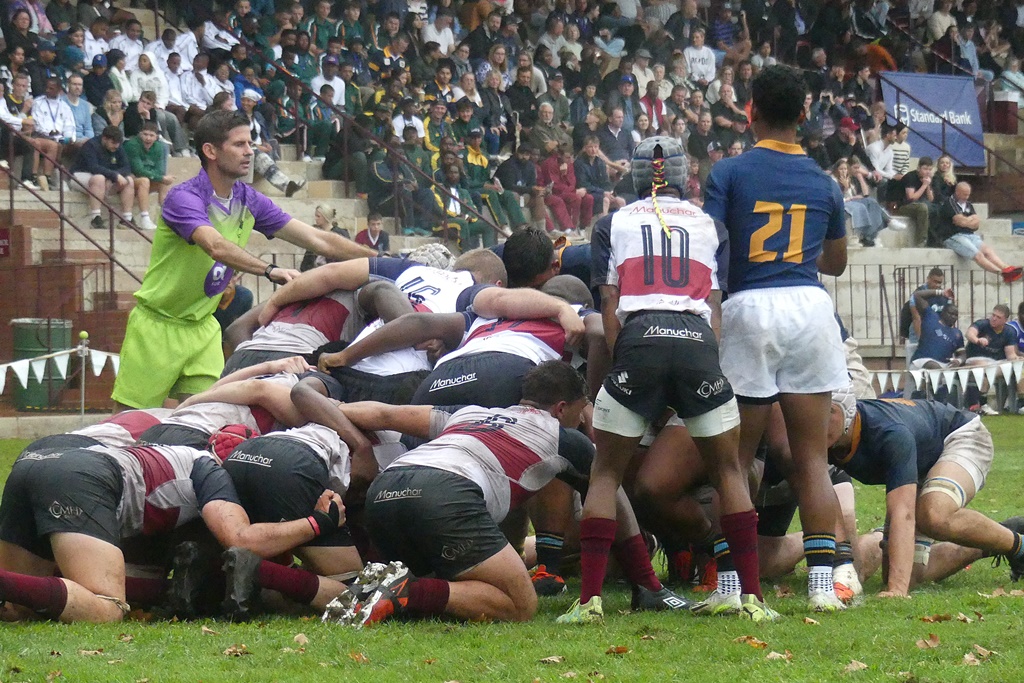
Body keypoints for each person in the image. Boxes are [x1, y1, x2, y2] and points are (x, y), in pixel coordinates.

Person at [559, 135, 777, 624]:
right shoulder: (711, 225)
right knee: (728, 472)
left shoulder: (611, 223)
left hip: (640, 340)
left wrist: (632, 365)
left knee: (606, 473)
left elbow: (608, 307)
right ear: (685, 178)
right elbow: (715, 311)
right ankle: (752, 598)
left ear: (634, 179)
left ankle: (589, 601)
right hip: (698, 342)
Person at [323, 362, 647, 626]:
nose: (582, 421)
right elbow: (609, 493)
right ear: (562, 408)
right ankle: (408, 590)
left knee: (460, 587)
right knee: (519, 604)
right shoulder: (563, 438)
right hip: (444, 493)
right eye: (581, 412)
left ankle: (393, 587)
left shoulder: (467, 413)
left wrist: (329, 405)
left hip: (385, 490)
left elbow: (382, 414)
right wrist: (646, 580)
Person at [110, 110, 376, 411]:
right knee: (127, 425)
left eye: (250, 143)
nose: (250, 151)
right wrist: (269, 270)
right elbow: (216, 247)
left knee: (202, 419)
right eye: (239, 144)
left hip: (203, 328)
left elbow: (318, 239)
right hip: (157, 326)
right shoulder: (183, 198)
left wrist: (380, 261)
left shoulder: (249, 199)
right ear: (210, 151)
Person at [704, 65, 849, 613]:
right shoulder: (824, 179)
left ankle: (729, 586)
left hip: (748, 309)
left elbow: (714, 246)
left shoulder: (730, 172)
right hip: (809, 307)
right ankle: (821, 587)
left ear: (750, 111)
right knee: (811, 457)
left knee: (734, 461)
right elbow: (834, 262)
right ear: (804, 114)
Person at [0, 439, 345, 623]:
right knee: (107, 608)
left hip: (36, 463)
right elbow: (239, 539)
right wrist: (319, 522)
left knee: (19, 610)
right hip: (80, 477)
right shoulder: (208, 468)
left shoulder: (165, 457)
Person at [826, 392, 1024, 597]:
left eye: (829, 410)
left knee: (934, 515)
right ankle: (996, 540)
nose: (820, 419)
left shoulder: (888, 431)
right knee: (909, 573)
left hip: (958, 435)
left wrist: (897, 590)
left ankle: (1020, 547)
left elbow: (903, 512)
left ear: (848, 411)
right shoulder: (813, 433)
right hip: (918, 459)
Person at [937, 182, 1023, 283]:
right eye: (964, 194)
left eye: (968, 194)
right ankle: (1002, 273)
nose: (966, 197)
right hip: (954, 236)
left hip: (970, 234)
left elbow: (976, 223)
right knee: (978, 255)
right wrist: (969, 220)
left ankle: (1006, 268)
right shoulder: (950, 203)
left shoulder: (968, 204)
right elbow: (959, 221)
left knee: (987, 250)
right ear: (957, 192)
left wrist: (966, 222)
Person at [69, 125, 136, 229]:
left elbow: (127, 167)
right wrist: (114, 175)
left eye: (118, 143)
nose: (116, 146)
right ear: (104, 138)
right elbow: (93, 167)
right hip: (80, 175)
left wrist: (113, 176)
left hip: (105, 177)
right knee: (99, 178)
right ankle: (96, 218)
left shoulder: (117, 147)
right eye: (113, 143)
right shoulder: (91, 145)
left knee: (129, 180)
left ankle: (127, 218)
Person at [964, 305, 1019, 415]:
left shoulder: (1009, 331)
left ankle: (1020, 403)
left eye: (998, 317)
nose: (993, 318)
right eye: (993, 315)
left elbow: (1010, 355)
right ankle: (981, 403)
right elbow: (969, 333)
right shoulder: (983, 324)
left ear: (1005, 320)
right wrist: (978, 340)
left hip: (995, 362)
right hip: (975, 359)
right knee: (987, 368)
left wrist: (1018, 359)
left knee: (1012, 366)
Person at [123, 121, 173, 231]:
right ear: (140, 134)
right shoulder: (132, 145)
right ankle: (145, 218)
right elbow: (138, 170)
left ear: (156, 137)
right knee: (145, 180)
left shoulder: (159, 147)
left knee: (164, 182)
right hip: (128, 179)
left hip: (147, 178)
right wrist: (159, 177)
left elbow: (160, 170)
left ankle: (167, 218)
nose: (148, 138)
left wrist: (160, 178)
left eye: (151, 135)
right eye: (145, 134)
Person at [909, 289, 963, 370]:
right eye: (950, 313)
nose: (953, 317)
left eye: (956, 315)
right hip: (922, 362)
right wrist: (941, 293)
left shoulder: (957, 333)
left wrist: (958, 361)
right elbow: (917, 295)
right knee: (934, 366)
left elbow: (963, 354)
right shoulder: (931, 317)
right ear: (943, 312)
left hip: (945, 366)